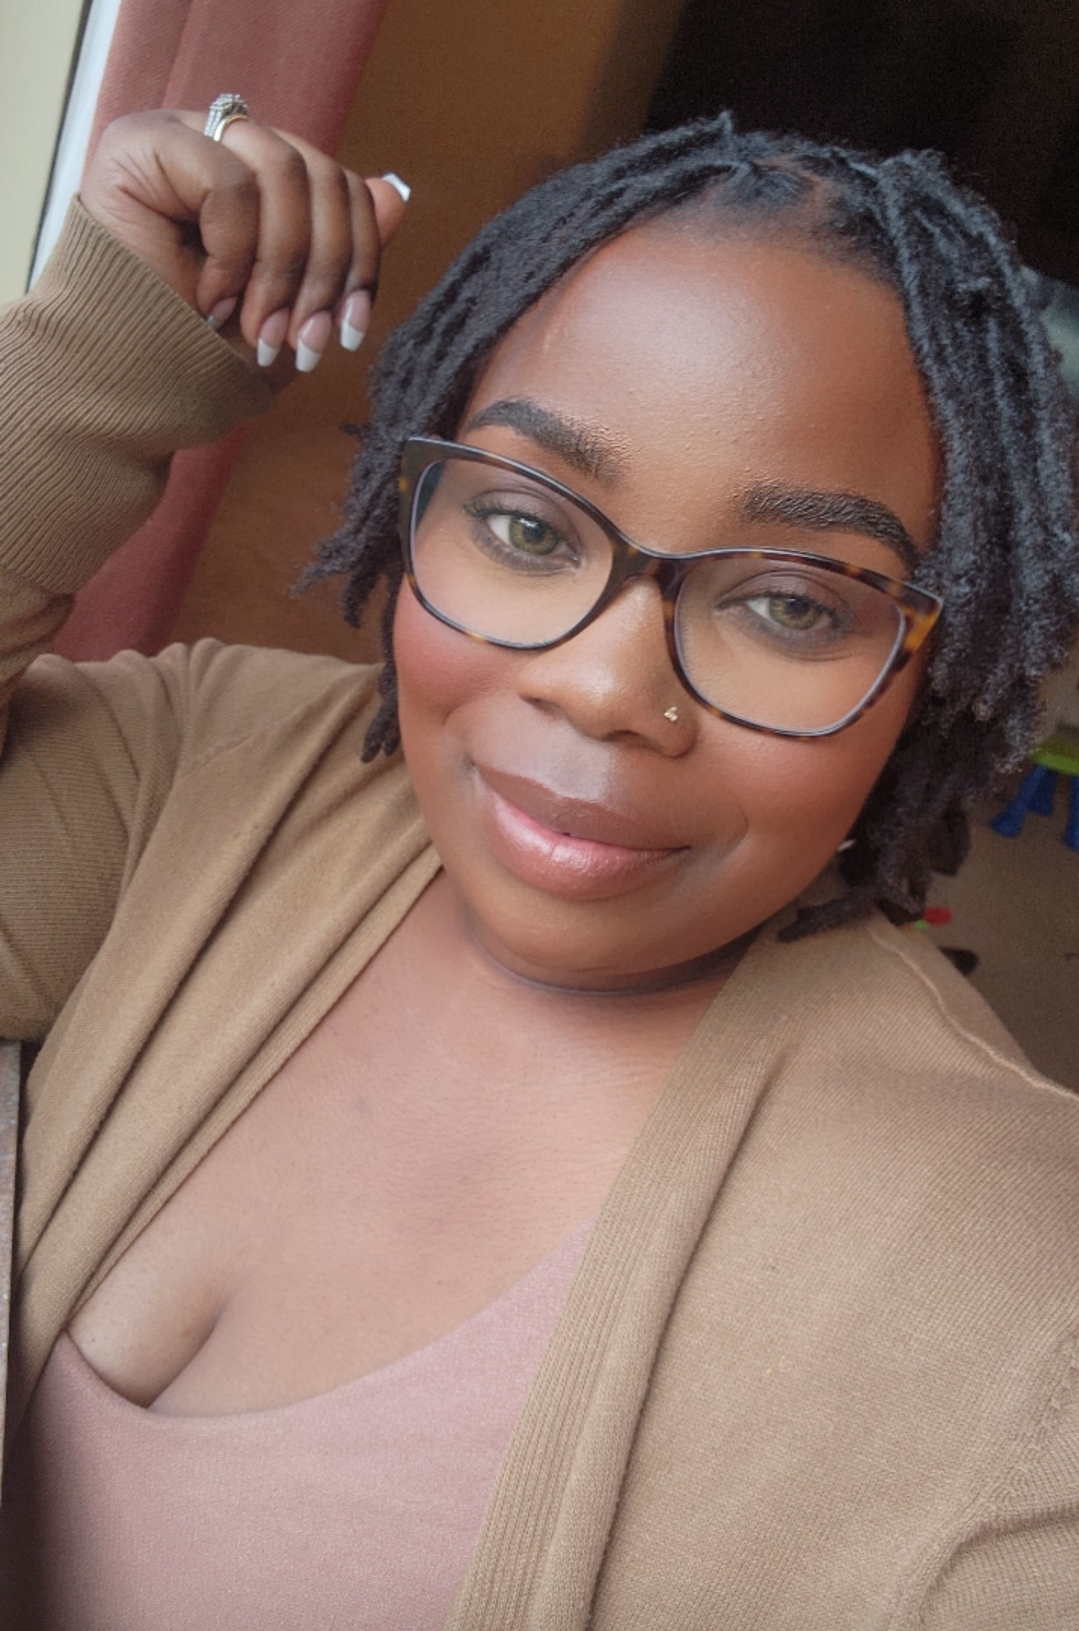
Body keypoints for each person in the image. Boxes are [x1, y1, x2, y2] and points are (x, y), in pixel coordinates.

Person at [1, 103, 1078, 1630]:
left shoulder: (1022, 1324)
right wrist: (94, 361)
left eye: (791, 605)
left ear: (936, 677)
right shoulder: (207, 773)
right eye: (525, 524)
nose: (603, 689)